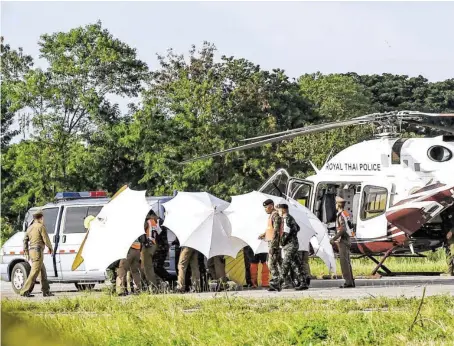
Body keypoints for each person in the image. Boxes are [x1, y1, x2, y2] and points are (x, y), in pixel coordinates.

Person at [20, 210, 54, 297]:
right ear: (41, 218)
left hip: (32, 251)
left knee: (42, 272)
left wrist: (26, 251)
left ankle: (46, 291)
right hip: (38, 252)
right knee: (34, 272)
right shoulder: (40, 227)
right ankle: (24, 291)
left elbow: (25, 240)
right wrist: (50, 248)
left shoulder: (30, 227)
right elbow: (45, 238)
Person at [277, 204, 308, 291]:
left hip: (290, 245)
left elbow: (286, 233)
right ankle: (303, 282)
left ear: (283, 210)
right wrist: (293, 235)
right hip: (293, 244)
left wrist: (282, 242)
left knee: (285, 264)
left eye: (279, 210)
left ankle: (278, 283)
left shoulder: (286, 219)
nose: (278, 212)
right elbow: (297, 228)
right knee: (296, 264)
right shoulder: (291, 218)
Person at [330, 196, 355, 288]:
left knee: (344, 262)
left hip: (343, 240)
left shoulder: (341, 215)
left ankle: (348, 282)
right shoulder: (345, 213)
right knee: (347, 261)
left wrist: (334, 238)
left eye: (336, 204)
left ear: (338, 205)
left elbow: (343, 229)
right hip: (348, 238)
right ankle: (351, 281)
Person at [258, 199, 283, 292]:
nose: (265, 209)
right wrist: (264, 234)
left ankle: (276, 283)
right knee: (279, 263)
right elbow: (271, 229)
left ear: (271, 206)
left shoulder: (275, 215)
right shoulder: (271, 216)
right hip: (272, 242)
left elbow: (276, 231)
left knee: (271, 264)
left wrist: (273, 246)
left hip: (274, 243)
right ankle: (282, 281)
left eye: (266, 207)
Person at [139, 212, 159, 291]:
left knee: (147, 267)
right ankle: (145, 285)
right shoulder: (154, 222)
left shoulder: (147, 222)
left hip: (147, 246)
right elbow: (159, 232)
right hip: (153, 244)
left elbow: (141, 233)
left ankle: (153, 286)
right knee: (144, 266)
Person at [152, 213, 171, 283]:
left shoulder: (159, 222)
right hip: (161, 247)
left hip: (161, 248)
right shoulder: (159, 221)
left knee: (157, 267)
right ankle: (166, 280)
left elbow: (158, 233)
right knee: (156, 267)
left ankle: (170, 279)